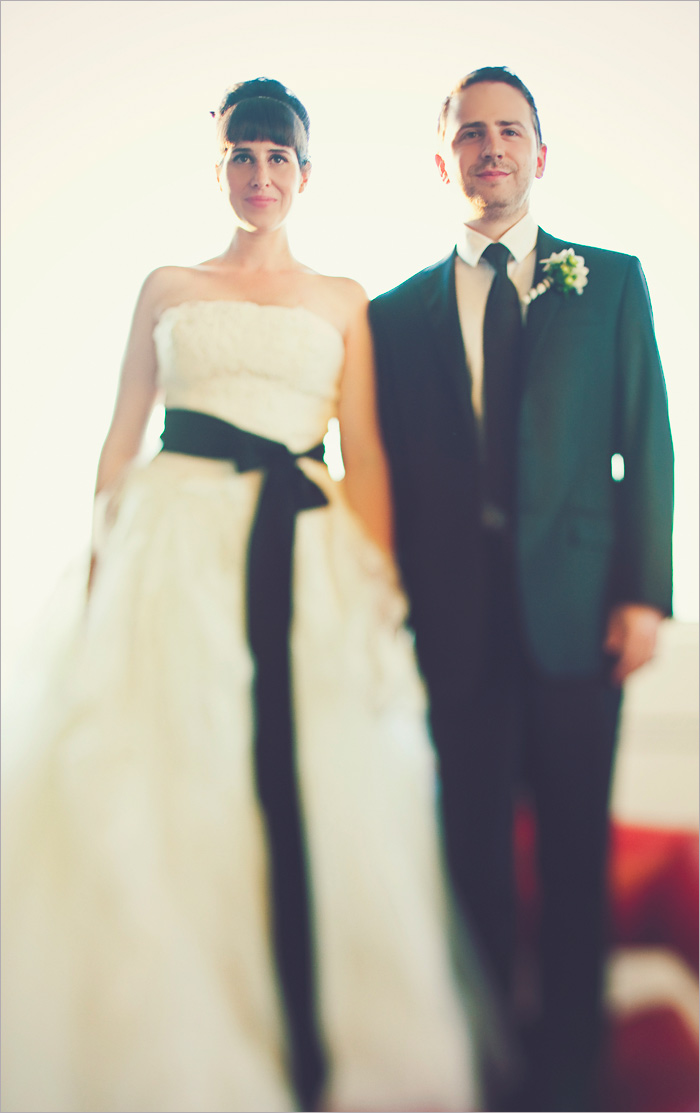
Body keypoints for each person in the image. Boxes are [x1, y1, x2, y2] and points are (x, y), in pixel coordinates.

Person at [1, 78, 485, 1113]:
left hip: (303, 550)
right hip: (172, 552)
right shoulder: (167, 285)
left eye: (278, 157)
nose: (259, 173)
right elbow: (121, 437)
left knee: (320, 776)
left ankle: (327, 1050)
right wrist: (100, 567)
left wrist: (379, 584)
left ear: (305, 174)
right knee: (175, 771)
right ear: (218, 167)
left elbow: (365, 452)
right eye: (241, 154)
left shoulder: (341, 298)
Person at [369, 66, 674, 1112]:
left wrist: (644, 594)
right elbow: (381, 469)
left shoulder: (611, 282)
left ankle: (572, 1074)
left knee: (577, 854)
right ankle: (486, 1064)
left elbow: (646, 441)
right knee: (472, 861)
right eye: (470, 133)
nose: (490, 147)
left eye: (509, 131)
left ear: (539, 154)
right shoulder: (391, 316)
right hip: (452, 625)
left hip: (582, 620)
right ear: (443, 158)